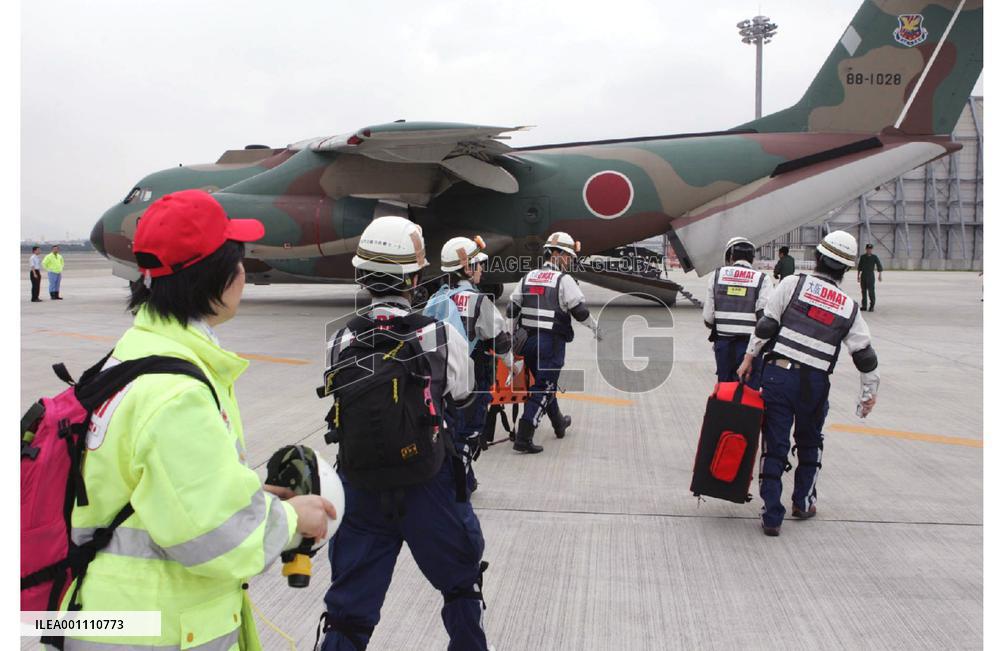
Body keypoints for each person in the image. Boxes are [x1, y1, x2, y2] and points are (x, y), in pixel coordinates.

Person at [61, 189, 337, 649]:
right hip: (149, 631)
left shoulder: (132, 357)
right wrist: (291, 519)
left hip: (106, 615)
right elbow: (214, 537)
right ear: (216, 278)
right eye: (238, 259)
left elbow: (161, 492)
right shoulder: (177, 394)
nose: (244, 272)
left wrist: (251, 496)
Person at [320, 216, 488, 651]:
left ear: (362, 274)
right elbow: (464, 396)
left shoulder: (339, 339)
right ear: (415, 277)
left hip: (360, 482)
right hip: (428, 479)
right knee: (460, 584)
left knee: (348, 612)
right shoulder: (439, 333)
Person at [737, 231, 879, 537]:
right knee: (810, 441)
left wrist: (749, 358)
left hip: (779, 375)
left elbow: (766, 325)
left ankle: (772, 515)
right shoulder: (848, 307)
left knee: (774, 444)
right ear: (846, 269)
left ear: (817, 257)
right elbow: (864, 356)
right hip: (815, 383)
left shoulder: (792, 284)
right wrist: (869, 393)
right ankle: (803, 501)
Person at [425, 235, 515, 493]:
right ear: (467, 268)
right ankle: (458, 485)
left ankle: (468, 479)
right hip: (474, 379)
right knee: (471, 433)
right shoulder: (479, 301)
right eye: (478, 264)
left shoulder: (436, 300)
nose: (482, 269)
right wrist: (512, 365)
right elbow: (499, 341)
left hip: (443, 380)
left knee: (451, 430)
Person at [507, 231, 602, 454]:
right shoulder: (563, 280)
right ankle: (524, 435)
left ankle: (559, 423)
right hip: (550, 345)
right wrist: (596, 328)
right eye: (567, 255)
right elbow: (579, 311)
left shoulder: (528, 277)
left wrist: (510, 336)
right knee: (544, 386)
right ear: (555, 253)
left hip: (528, 343)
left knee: (542, 384)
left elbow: (512, 308)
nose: (569, 261)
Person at [702, 237, 773, 387]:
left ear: (730, 257)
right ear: (752, 258)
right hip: (750, 348)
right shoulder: (762, 279)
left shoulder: (716, 276)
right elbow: (764, 321)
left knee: (724, 391)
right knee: (748, 394)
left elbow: (708, 318)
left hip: (724, 347)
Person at [857, 243, 883, 311]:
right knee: (863, 291)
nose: (869, 250)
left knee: (871, 292)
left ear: (872, 250)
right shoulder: (863, 257)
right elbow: (859, 267)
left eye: (870, 249)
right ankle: (864, 306)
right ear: (866, 249)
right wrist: (858, 276)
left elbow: (879, 265)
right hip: (863, 276)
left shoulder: (874, 257)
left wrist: (880, 275)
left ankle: (872, 306)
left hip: (871, 276)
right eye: (868, 249)